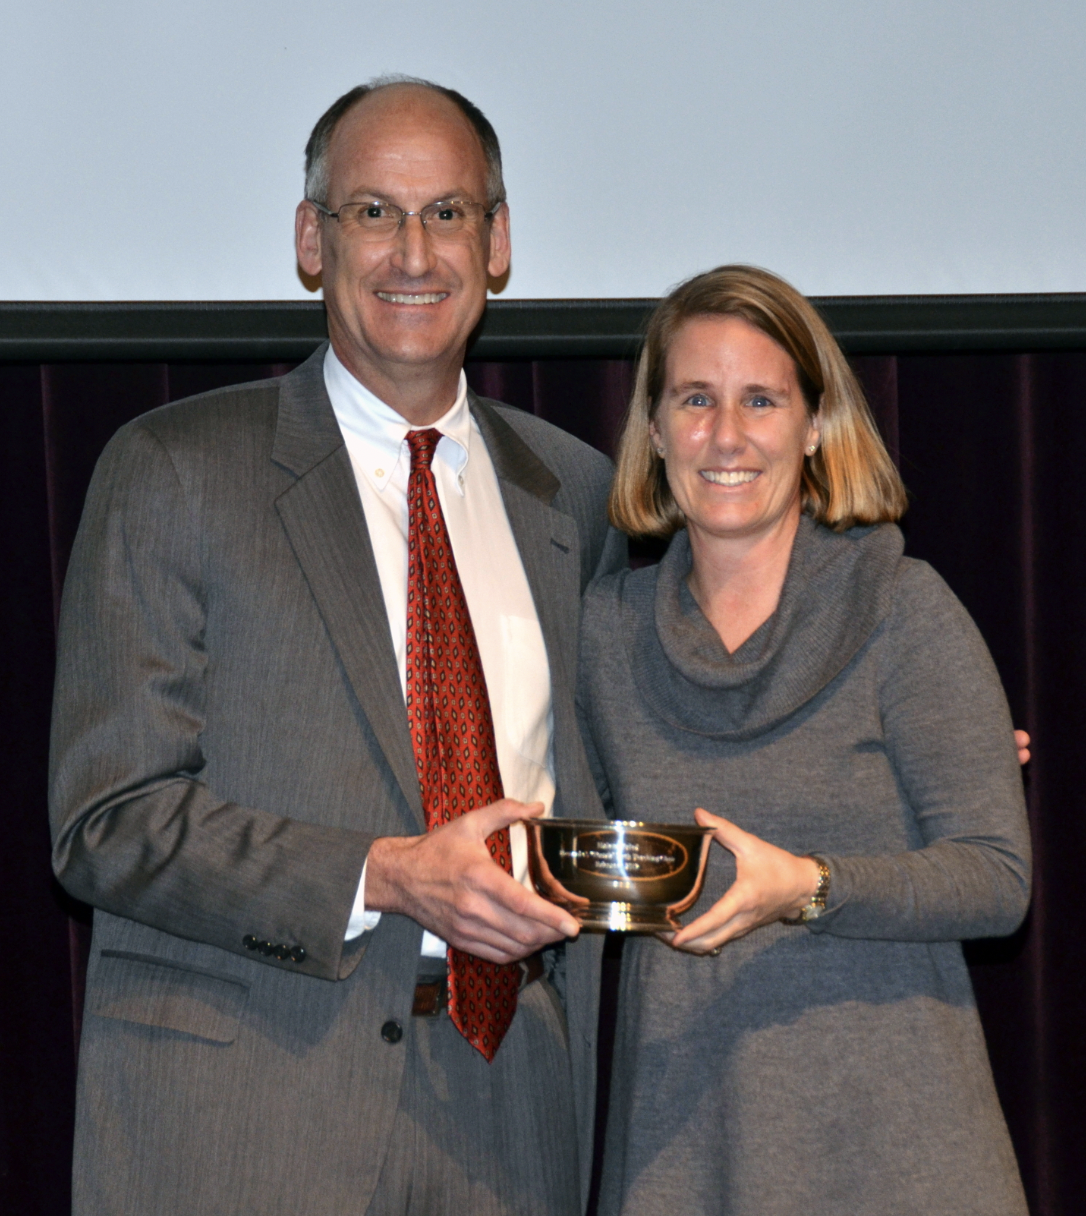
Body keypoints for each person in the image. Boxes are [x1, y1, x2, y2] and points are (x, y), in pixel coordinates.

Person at [49, 77, 623, 1216]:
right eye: (373, 212)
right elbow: (105, 820)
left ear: (498, 243)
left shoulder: (576, 492)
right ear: (313, 241)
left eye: (448, 213)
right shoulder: (175, 470)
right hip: (251, 1119)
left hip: (514, 1116)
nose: (414, 252)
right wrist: (384, 875)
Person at [578, 265, 1031, 1215]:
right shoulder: (605, 634)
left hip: (899, 1157)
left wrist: (811, 887)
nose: (726, 435)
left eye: (761, 400)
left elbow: (997, 880)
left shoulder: (903, 609)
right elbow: (578, 863)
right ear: (653, 429)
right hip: (683, 1151)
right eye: (695, 399)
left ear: (815, 424)